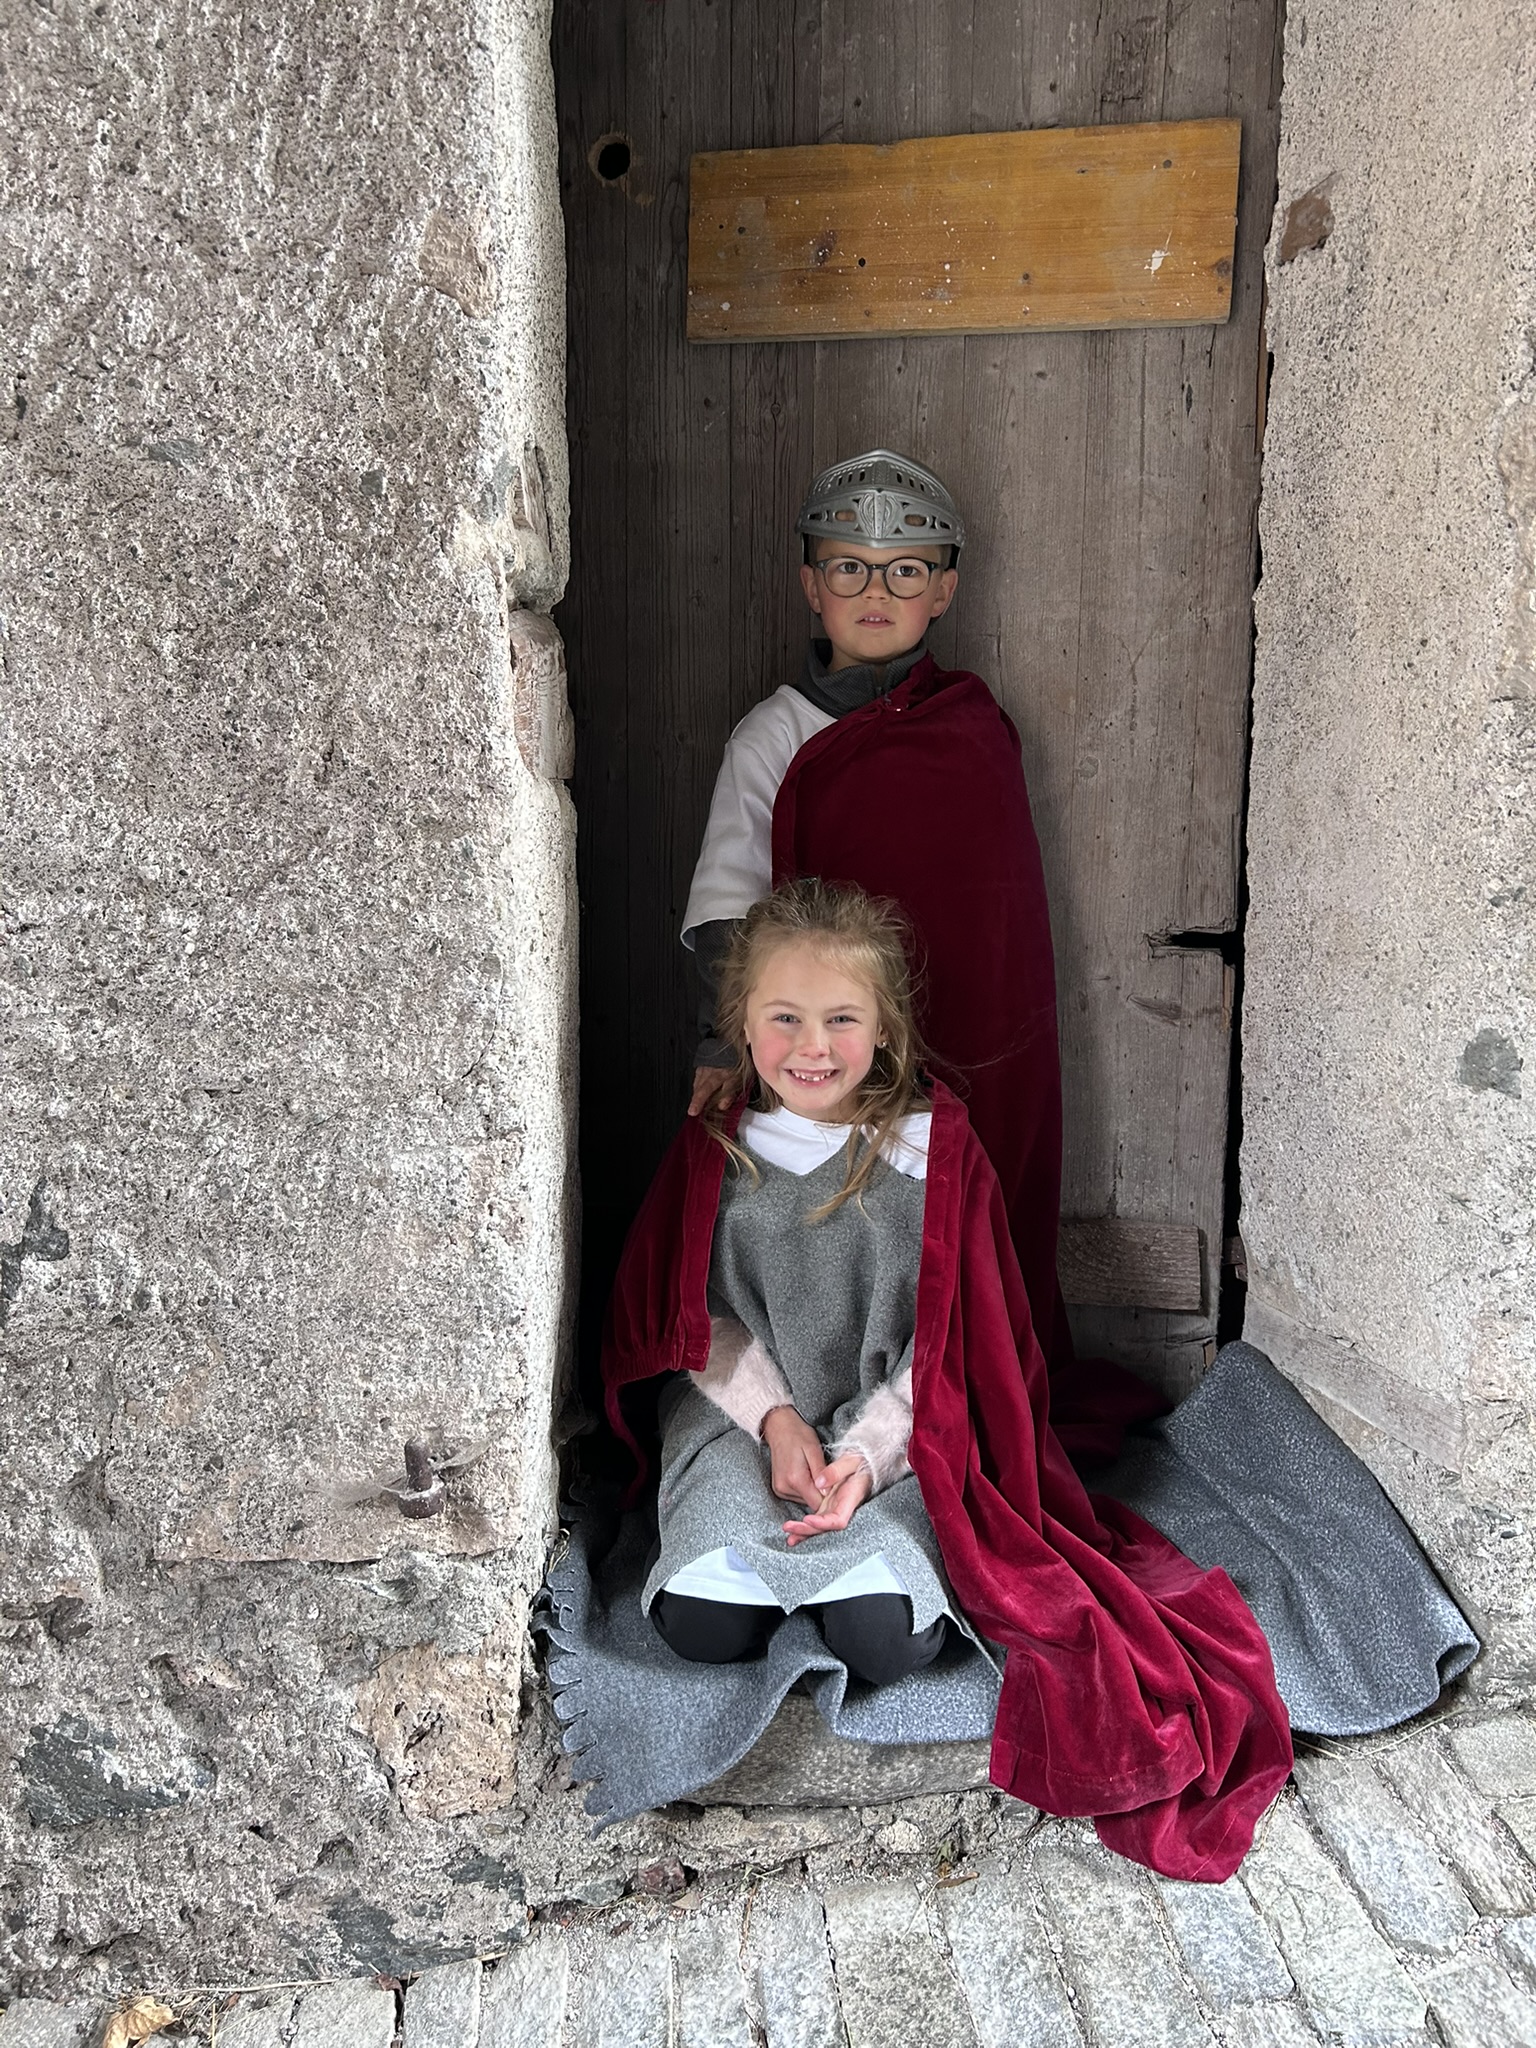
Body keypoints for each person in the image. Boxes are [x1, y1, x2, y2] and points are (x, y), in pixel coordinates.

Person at [606, 877, 1295, 1884]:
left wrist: (862, 1458)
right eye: (784, 1017)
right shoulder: (715, 1145)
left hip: (903, 1426)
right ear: (741, 1022)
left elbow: (957, 1342)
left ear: (884, 1027)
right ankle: (763, 1561)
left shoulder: (932, 1149)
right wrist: (778, 1420)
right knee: (703, 1623)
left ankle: (854, 1568)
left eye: (842, 1018)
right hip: (742, 1419)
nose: (812, 1045)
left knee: (883, 1634)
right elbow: (689, 1318)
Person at [680, 449, 1072, 1368]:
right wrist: (723, 1047)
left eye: (905, 571)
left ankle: (962, 1389)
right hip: (826, 1048)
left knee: (959, 1231)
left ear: (943, 591)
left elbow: (1003, 919)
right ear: (811, 585)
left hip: (967, 1037)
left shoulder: (976, 729)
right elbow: (730, 908)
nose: (876, 591)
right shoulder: (773, 735)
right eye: (850, 567)